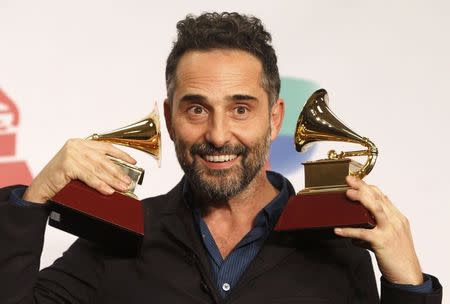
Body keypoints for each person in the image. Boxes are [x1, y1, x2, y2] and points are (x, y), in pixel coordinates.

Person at [0, 12, 443, 304]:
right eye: (196, 109)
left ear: (274, 119)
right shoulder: (115, 239)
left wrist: (409, 285)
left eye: (240, 109)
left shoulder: (339, 247)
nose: (217, 135)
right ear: (171, 119)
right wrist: (34, 200)